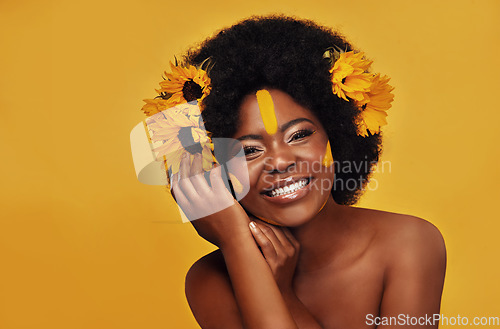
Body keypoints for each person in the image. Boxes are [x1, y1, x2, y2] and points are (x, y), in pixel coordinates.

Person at [146, 15, 446, 329]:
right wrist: (236, 242)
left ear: (337, 134)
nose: (280, 161)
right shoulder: (211, 280)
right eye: (249, 150)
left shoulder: (409, 244)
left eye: (299, 135)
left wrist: (282, 295)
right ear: (216, 172)